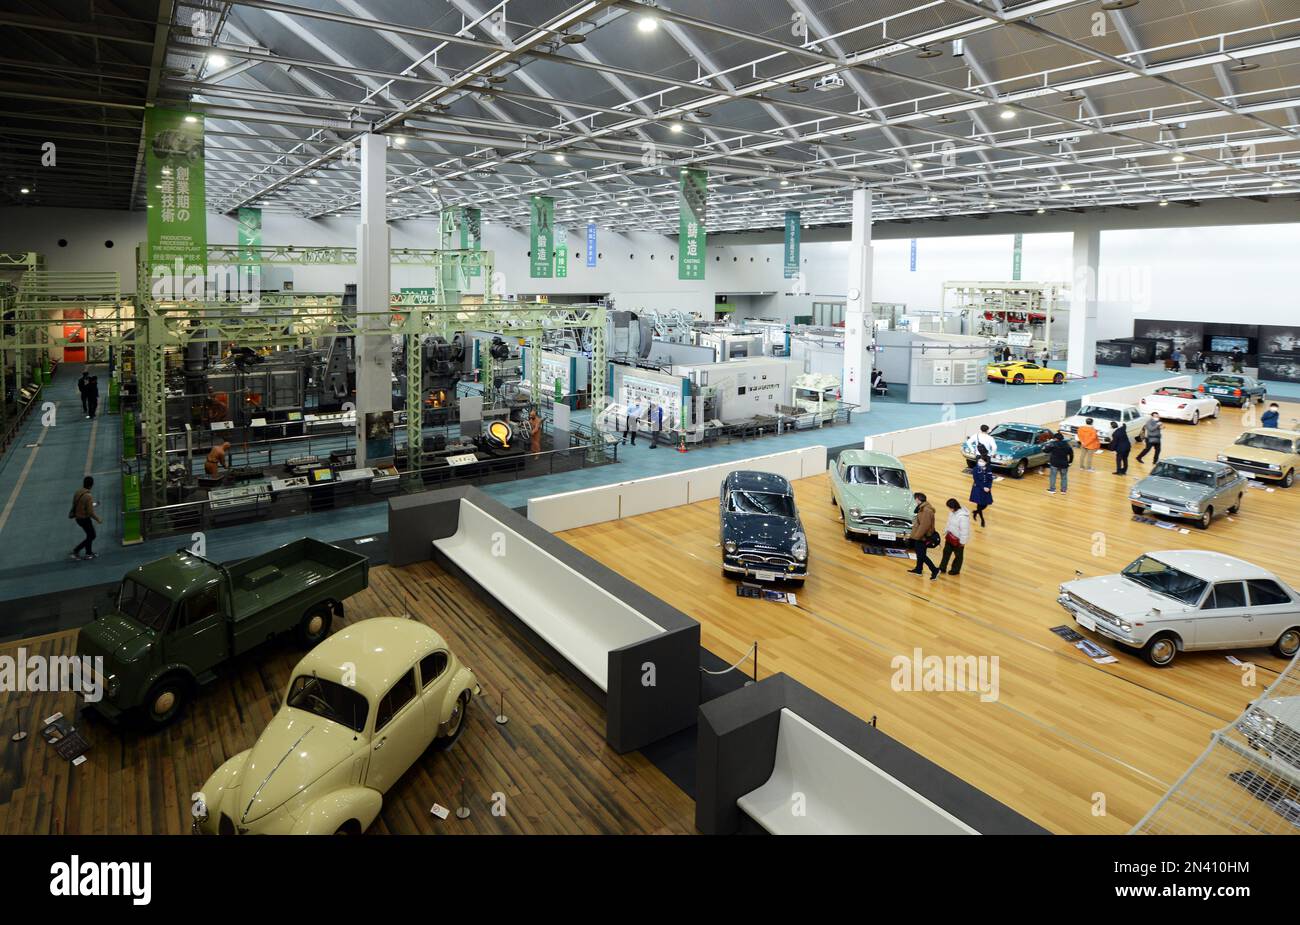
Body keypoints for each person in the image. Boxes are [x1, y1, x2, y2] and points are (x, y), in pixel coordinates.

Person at [906, 492, 940, 580]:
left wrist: (916, 536)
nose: (915, 501)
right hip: (921, 535)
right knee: (920, 553)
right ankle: (918, 569)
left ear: (918, 499)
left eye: (915, 499)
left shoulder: (925, 510)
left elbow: (924, 526)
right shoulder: (922, 508)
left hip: (922, 537)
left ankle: (935, 570)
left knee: (921, 555)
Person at [69, 476, 103, 561]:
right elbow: (90, 512)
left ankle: (88, 553)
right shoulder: (88, 496)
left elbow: (80, 504)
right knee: (92, 535)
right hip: (84, 519)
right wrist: (98, 519)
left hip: (78, 518)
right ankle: (76, 551)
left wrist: (94, 504)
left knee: (89, 535)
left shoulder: (78, 492)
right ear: (91, 485)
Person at [939, 498, 971, 577]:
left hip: (958, 540)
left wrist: (963, 542)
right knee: (946, 552)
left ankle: (955, 570)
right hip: (950, 537)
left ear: (954, 507)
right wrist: (946, 531)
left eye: (949, 507)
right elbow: (949, 523)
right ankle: (942, 568)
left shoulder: (963, 517)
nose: (949, 509)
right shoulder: (952, 512)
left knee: (958, 556)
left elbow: (965, 530)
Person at [969, 457, 993, 527]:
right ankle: (982, 520)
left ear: (986, 462)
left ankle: (975, 512)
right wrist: (983, 487)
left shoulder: (988, 469)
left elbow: (990, 479)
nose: (980, 462)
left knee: (985, 504)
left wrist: (989, 487)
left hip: (986, 489)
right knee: (979, 504)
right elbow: (976, 480)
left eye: (982, 461)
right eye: (979, 460)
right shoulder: (975, 469)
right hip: (978, 489)